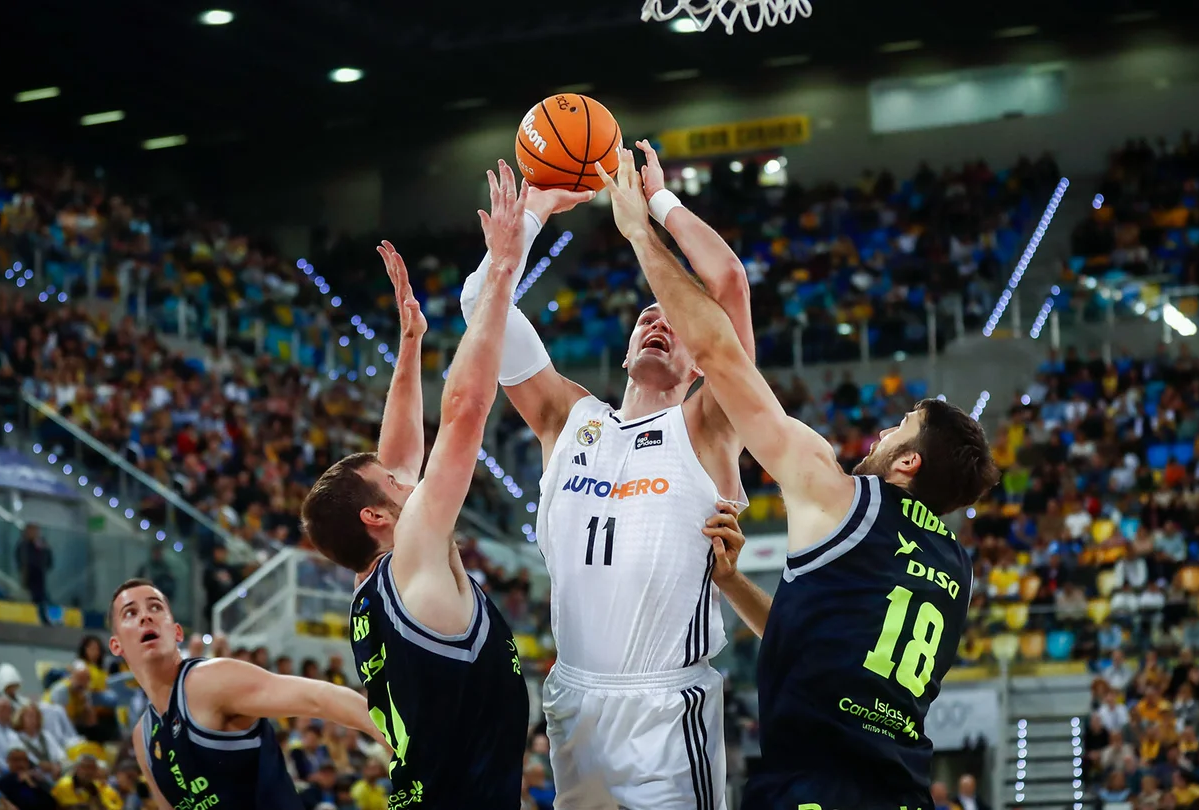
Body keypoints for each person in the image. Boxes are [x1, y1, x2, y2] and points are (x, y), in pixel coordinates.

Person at [596, 152, 1001, 810]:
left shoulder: (838, 493)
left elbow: (723, 354)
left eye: (899, 427)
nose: (881, 433)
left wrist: (644, 227)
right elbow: (817, 633)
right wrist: (732, 584)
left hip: (816, 788)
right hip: (900, 791)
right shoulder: (954, 569)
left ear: (909, 464)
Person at [458, 142, 760, 809]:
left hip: (666, 704)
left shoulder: (709, 425)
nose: (658, 320)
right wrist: (535, 209)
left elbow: (730, 283)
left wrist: (658, 203)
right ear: (624, 354)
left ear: (704, 359)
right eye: (646, 317)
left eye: (675, 321)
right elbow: (482, 305)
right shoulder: (567, 417)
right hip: (574, 698)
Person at [300, 164, 533, 808]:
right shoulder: (418, 549)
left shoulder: (370, 585)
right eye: (394, 485)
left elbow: (396, 455)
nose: (410, 477)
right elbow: (462, 409)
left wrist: (409, 347)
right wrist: (503, 271)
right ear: (377, 516)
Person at [107, 579, 379, 810]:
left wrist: (402, 743)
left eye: (156, 607)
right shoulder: (143, 736)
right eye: (130, 613)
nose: (146, 616)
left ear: (176, 632)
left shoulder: (210, 681)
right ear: (116, 646)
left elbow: (320, 697)